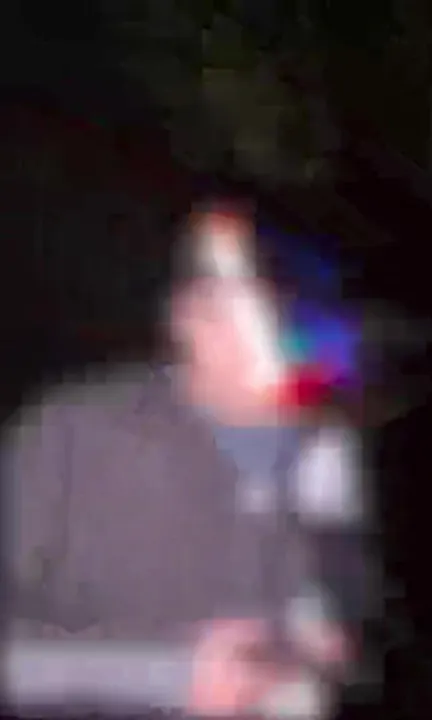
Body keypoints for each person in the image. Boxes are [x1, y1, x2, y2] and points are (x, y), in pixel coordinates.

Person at [2, 202, 365, 716]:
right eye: (242, 316)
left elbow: (325, 575)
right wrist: (161, 676)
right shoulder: (71, 437)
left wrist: (311, 629)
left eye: (305, 325)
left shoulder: (322, 443)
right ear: (185, 318)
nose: (285, 354)